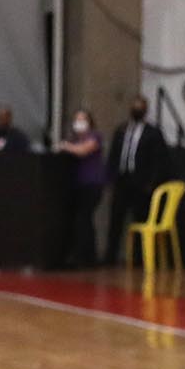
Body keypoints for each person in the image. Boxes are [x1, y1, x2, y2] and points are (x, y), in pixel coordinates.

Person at [103, 93, 168, 262]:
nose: (137, 108)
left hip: (141, 181)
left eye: (140, 106)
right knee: (116, 218)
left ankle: (139, 257)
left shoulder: (152, 133)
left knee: (141, 218)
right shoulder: (122, 130)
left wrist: (151, 183)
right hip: (122, 179)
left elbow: (159, 159)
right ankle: (110, 255)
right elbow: (114, 155)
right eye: (135, 105)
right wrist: (110, 177)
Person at [56, 107, 106, 268]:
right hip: (78, 185)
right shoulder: (74, 139)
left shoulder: (94, 137)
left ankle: (88, 257)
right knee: (80, 220)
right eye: (77, 120)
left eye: (83, 119)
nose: (79, 123)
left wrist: (66, 146)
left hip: (92, 184)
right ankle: (80, 254)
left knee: (84, 218)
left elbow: (83, 151)